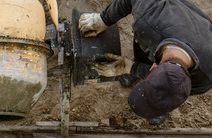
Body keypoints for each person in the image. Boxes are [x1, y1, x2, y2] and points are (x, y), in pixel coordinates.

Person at [78, 0, 212, 125]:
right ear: (153, 66)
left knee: (166, 88)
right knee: (144, 35)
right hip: (171, 19)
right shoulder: (150, 18)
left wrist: (131, 68)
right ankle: (140, 63)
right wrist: (103, 19)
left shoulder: (205, 80)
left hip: (203, 33)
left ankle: (159, 103)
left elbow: (172, 86)